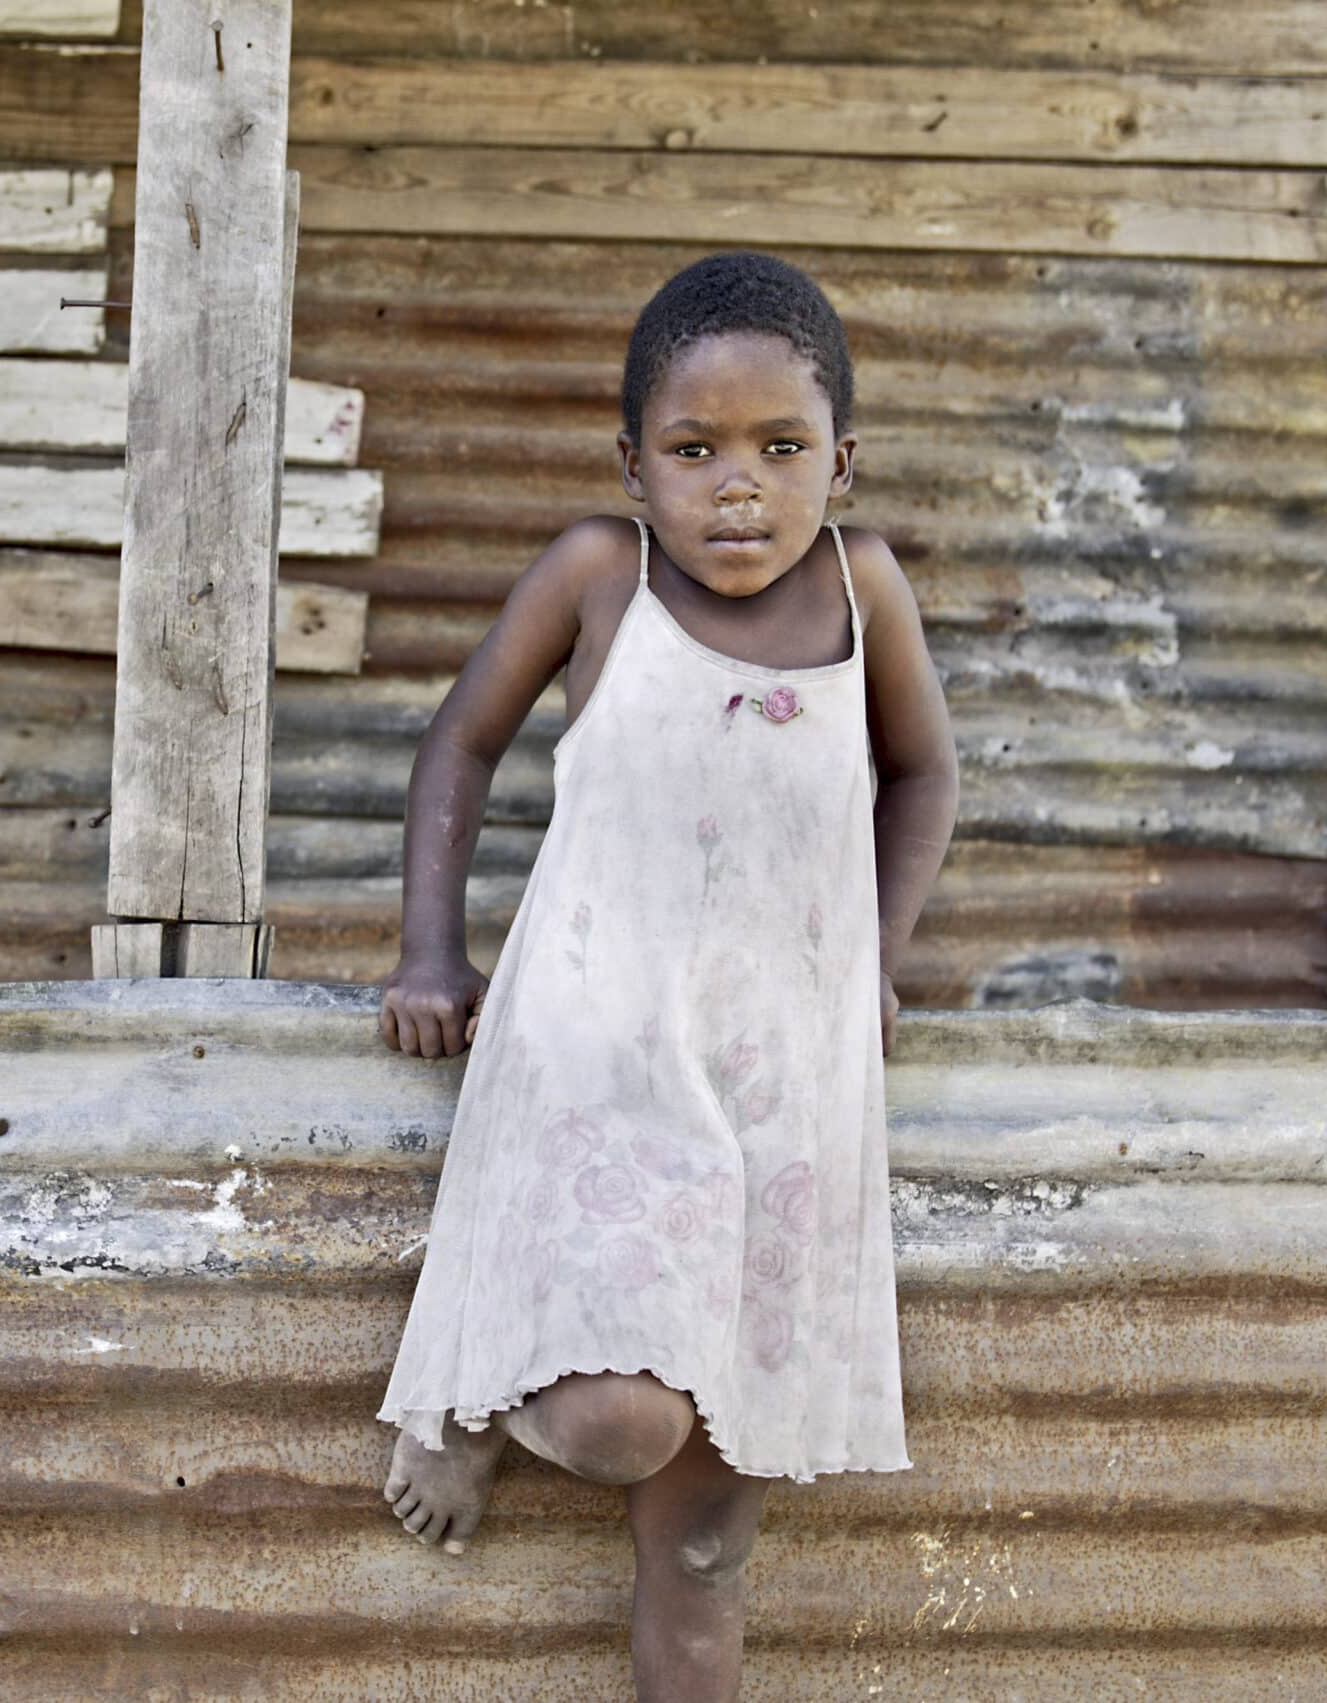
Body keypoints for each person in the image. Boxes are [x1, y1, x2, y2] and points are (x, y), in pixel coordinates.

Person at [371, 250, 959, 1698]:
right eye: (695, 451)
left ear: (843, 460)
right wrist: (432, 950)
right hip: (600, 1068)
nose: (739, 487)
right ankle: (484, 1400)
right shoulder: (596, 578)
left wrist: (873, 962)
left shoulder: (863, 590)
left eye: (781, 448)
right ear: (633, 468)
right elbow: (460, 741)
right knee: (626, 1421)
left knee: (703, 1556)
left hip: (783, 1099)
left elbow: (924, 772)